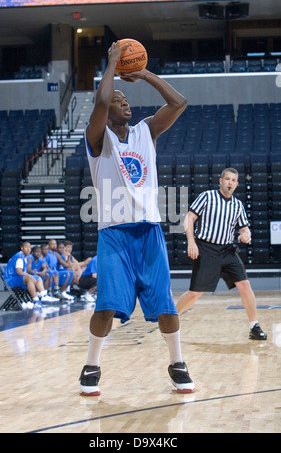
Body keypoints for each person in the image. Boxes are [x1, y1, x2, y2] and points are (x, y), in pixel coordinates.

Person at [79, 40, 195, 396]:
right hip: (114, 235)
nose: (124, 101)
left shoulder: (147, 130)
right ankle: (92, 364)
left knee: (165, 303)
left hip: (149, 233)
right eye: (119, 100)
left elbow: (179, 102)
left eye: (125, 98)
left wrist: (142, 73)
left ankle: (177, 363)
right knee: (108, 305)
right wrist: (113, 64)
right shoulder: (97, 139)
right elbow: (101, 101)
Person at [176, 168, 267, 341]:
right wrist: (191, 242)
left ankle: (254, 326)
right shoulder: (207, 197)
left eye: (233, 180)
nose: (230, 183)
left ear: (237, 184)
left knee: (245, 286)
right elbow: (189, 218)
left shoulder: (238, 205)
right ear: (220, 181)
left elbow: (244, 228)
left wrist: (246, 234)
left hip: (227, 250)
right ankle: (172, 319)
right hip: (206, 249)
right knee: (195, 293)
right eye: (227, 179)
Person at [3, 241, 51, 306]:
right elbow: (19, 272)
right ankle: (36, 300)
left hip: (17, 278)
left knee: (38, 277)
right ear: (22, 248)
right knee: (30, 278)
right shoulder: (19, 257)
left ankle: (44, 296)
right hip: (11, 280)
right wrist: (29, 275)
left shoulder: (25, 257)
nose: (28, 249)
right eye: (26, 247)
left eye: (29, 247)